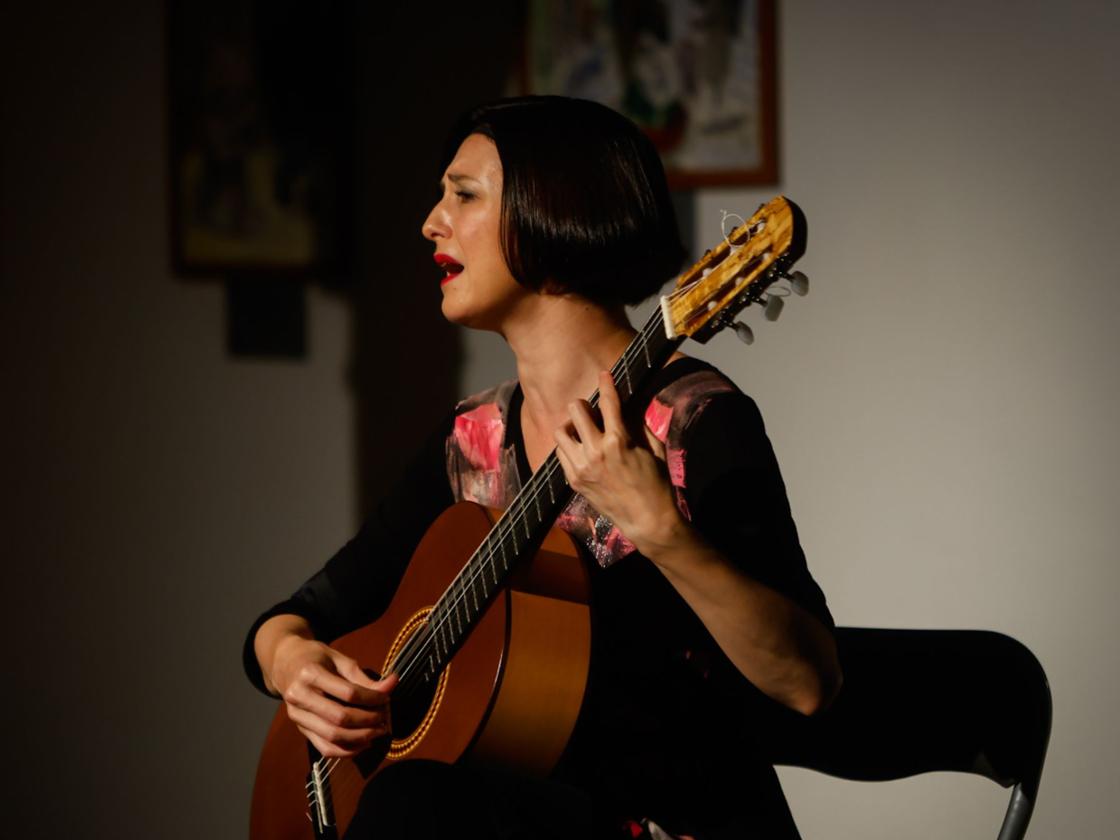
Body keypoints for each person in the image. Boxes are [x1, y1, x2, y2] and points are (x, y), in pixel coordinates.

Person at [244, 96, 842, 839]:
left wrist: (664, 534)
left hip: (676, 824)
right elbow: (293, 618)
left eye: (463, 195)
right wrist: (294, 664)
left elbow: (809, 683)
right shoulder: (474, 441)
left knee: (413, 808)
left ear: (553, 211)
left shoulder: (695, 424)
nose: (431, 222)